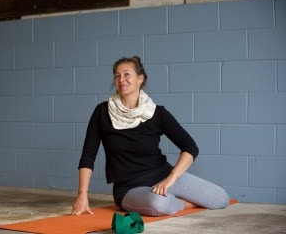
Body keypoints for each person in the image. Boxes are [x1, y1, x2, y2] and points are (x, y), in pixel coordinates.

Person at [71, 56, 230, 217]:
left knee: (220, 198)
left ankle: (172, 200)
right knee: (158, 204)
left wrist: (172, 177)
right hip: (129, 188)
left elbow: (190, 147)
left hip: (163, 177)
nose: (121, 80)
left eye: (127, 74)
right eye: (117, 76)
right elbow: (88, 155)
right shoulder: (102, 112)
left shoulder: (157, 113)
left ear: (140, 78)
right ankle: (182, 203)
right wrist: (82, 194)